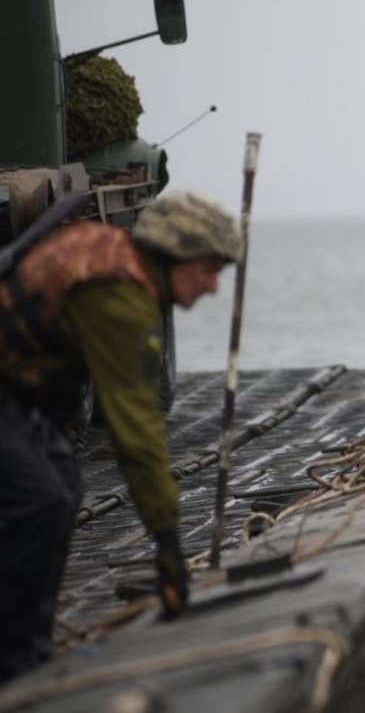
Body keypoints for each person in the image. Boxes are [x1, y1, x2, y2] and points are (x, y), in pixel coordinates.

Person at [0, 191, 239, 683]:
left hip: (17, 396)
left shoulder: (121, 265)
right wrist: (169, 543)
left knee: (65, 487)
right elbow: (137, 431)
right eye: (209, 270)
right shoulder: (121, 297)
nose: (214, 287)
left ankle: (30, 646)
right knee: (39, 499)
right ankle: (11, 656)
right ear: (176, 255)